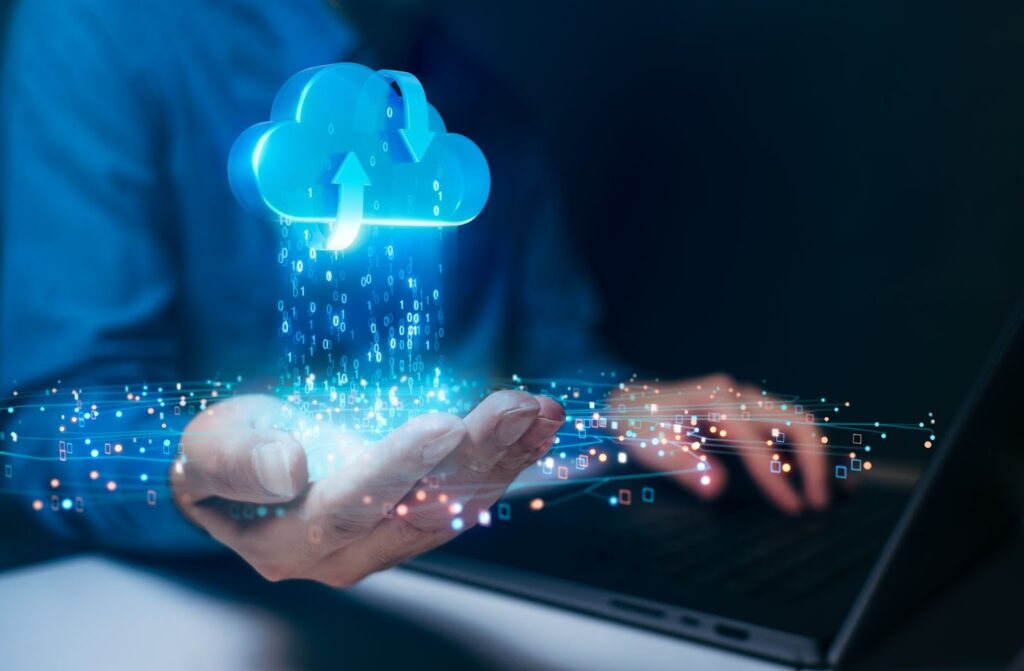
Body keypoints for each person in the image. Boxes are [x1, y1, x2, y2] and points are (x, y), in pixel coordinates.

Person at [0, 0, 826, 586]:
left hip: (495, 579)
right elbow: (50, 421)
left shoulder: (481, 103)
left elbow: (549, 367)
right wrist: (197, 467)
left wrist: (621, 406)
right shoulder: (100, 27)